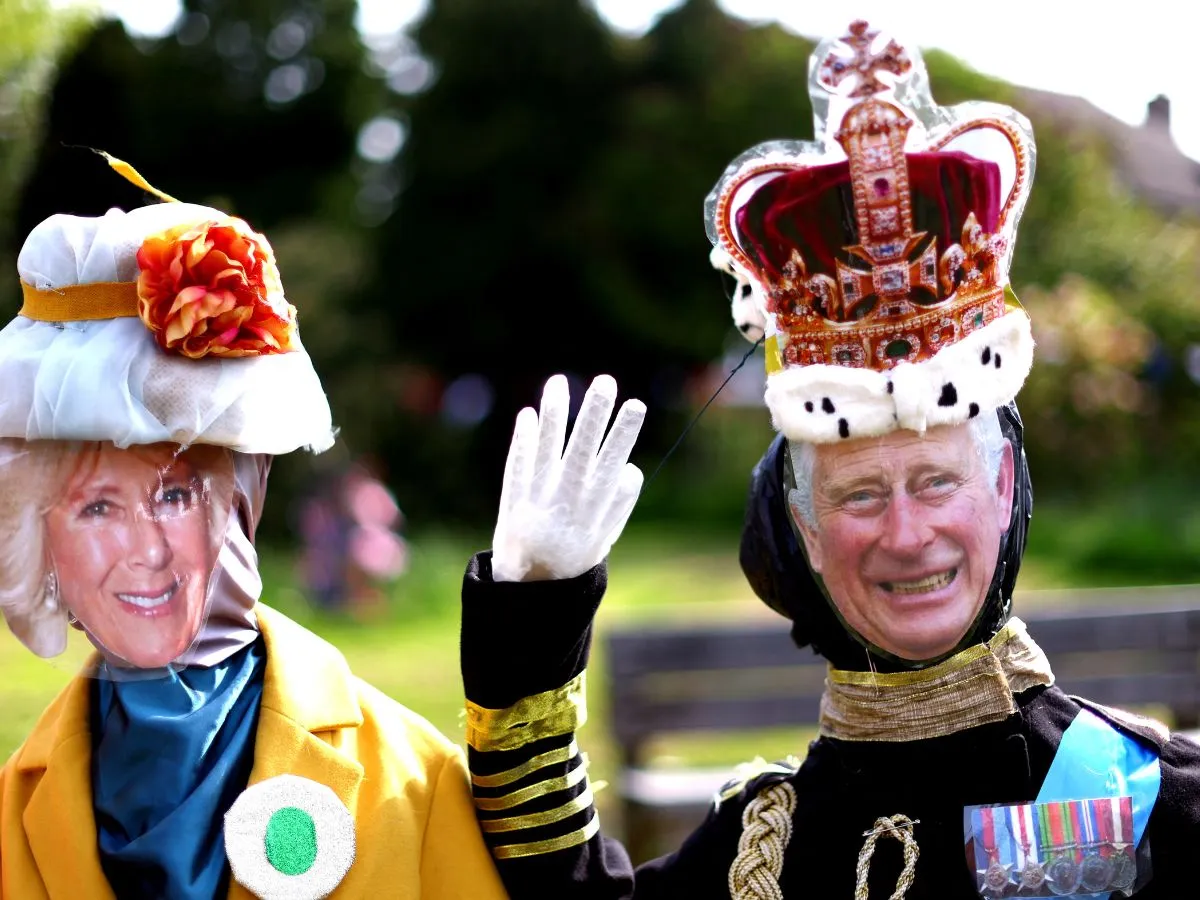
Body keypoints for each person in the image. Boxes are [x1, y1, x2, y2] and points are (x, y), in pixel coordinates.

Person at [458, 21, 1200, 899]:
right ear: (802, 529)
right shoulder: (756, 852)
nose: (906, 532)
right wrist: (534, 616)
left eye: (937, 481)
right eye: (857, 496)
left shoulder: (1156, 803)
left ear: (1002, 490)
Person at [0, 165, 507, 900]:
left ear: (246, 498)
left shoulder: (416, 783)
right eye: (96, 508)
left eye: (175, 494)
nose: (144, 550)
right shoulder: (15, 810)